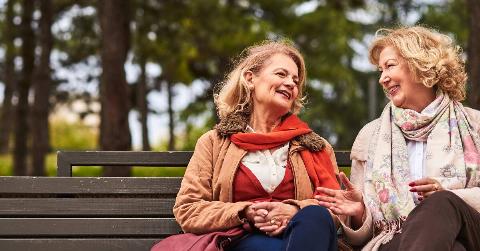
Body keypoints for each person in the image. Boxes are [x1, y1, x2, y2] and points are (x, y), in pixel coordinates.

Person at [152, 41, 342, 251]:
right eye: (281, 74)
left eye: (295, 81)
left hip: (304, 236)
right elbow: (189, 209)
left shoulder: (316, 146)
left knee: (316, 215)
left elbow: (336, 209)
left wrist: (295, 210)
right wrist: (245, 212)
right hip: (242, 239)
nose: (291, 84)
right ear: (250, 79)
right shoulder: (214, 142)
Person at [315, 26, 480, 251]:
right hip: (397, 240)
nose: (383, 78)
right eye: (380, 70)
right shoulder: (370, 136)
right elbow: (364, 233)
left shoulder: (475, 124)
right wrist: (361, 211)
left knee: (440, 203)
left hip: (471, 231)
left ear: (420, 64)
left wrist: (448, 194)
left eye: (390, 66)